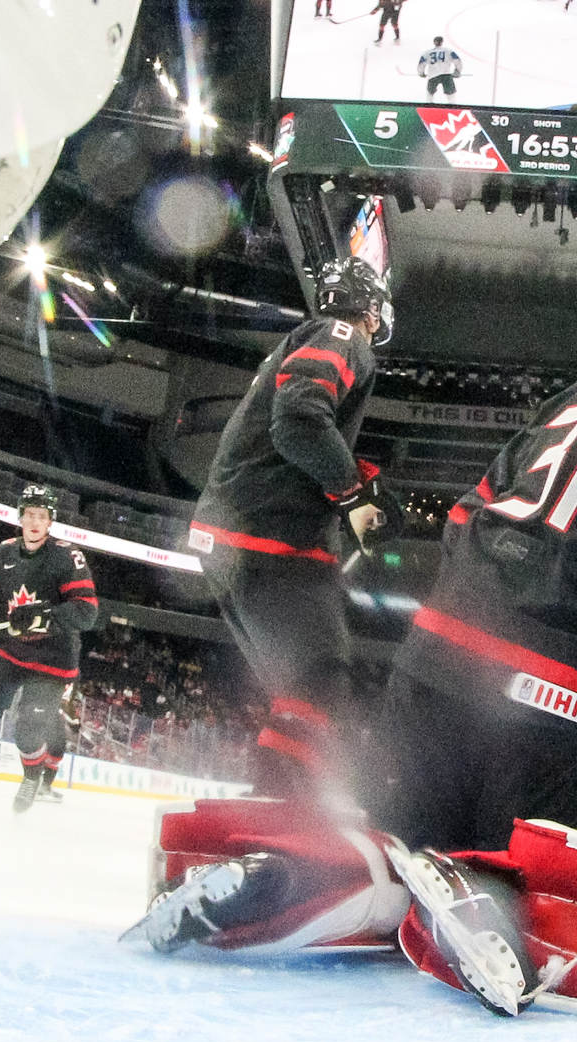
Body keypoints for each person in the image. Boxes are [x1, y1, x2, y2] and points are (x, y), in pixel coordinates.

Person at [138, 283, 577, 1018]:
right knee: (554, 913)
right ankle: (492, 896)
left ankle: (334, 876)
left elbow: (463, 519)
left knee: (397, 845)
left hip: (434, 673)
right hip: (565, 722)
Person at [187, 255, 396, 798]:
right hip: (266, 538)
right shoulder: (341, 332)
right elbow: (300, 419)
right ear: (370, 305)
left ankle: (276, 805)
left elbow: (297, 425)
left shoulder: (313, 333)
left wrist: (354, 480)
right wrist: (350, 492)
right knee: (320, 681)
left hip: (239, 538)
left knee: (298, 691)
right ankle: (279, 811)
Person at [0, 484, 101, 813]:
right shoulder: (2, 553)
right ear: (20, 518)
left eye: (42, 516)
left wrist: (46, 617)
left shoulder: (67, 556)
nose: (35, 522)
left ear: (50, 521)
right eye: (29, 515)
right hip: (9, 651)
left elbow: (87, 611)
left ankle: (31, 778)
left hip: (52, 659)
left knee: (29, 728)